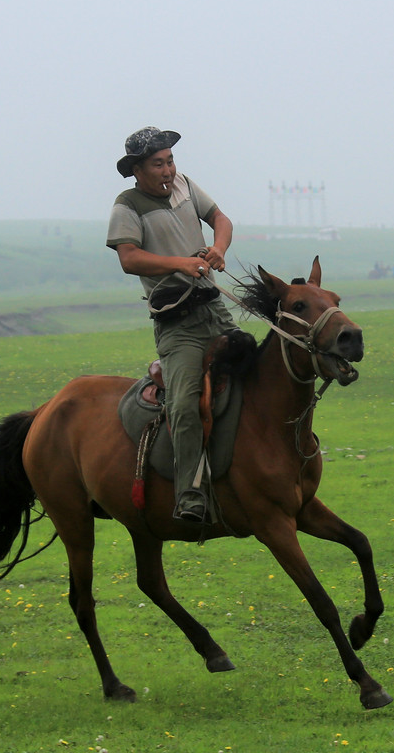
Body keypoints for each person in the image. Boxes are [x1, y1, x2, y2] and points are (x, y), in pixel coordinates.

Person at [106, 126, 237, 523]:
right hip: (178, 326)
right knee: (183, 404)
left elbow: (220, 218)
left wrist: (218, 249)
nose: (167, 170)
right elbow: (128, 258)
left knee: (259, 373)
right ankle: (190, 494)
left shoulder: (184, 185)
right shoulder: (126, 205)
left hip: (215, 310)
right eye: (158, 164)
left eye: (170, 161)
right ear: (137, 170)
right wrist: (181, 263)